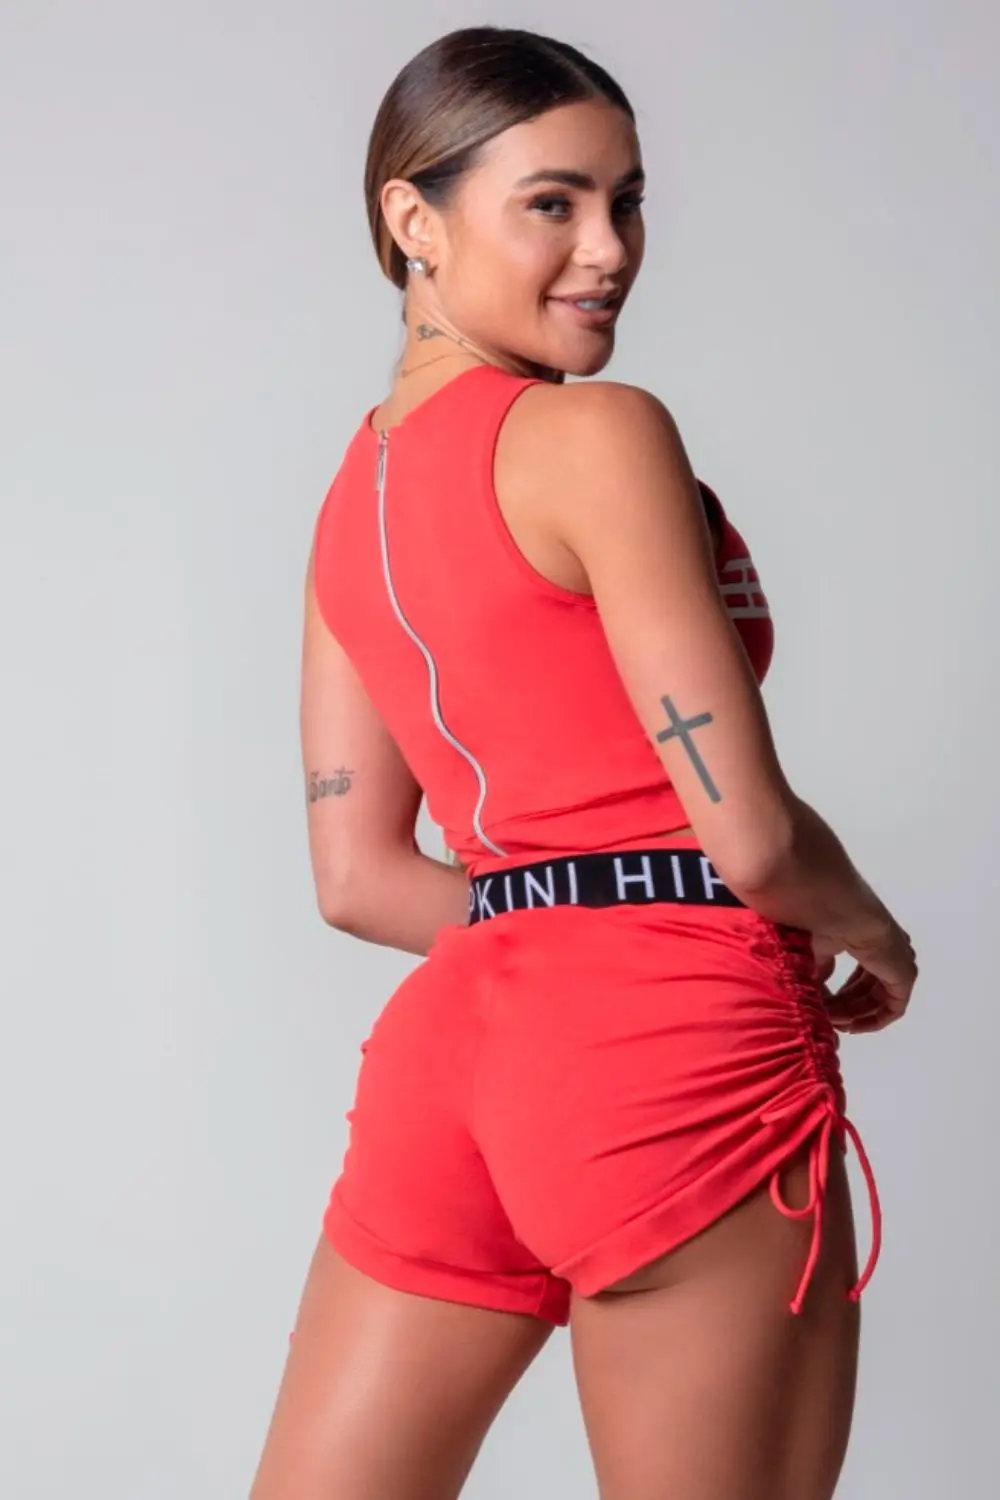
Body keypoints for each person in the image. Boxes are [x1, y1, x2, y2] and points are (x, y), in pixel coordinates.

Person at [250, 24, 917, 1500]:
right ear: (414, 220)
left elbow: (358, 881)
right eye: (551, 203)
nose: (608, 250)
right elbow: (750, 836)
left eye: (627, 201)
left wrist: (549, 929)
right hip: (673, 1054)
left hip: (454, 1063)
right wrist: (876, 933)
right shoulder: (597, 433)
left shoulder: (350, 503)